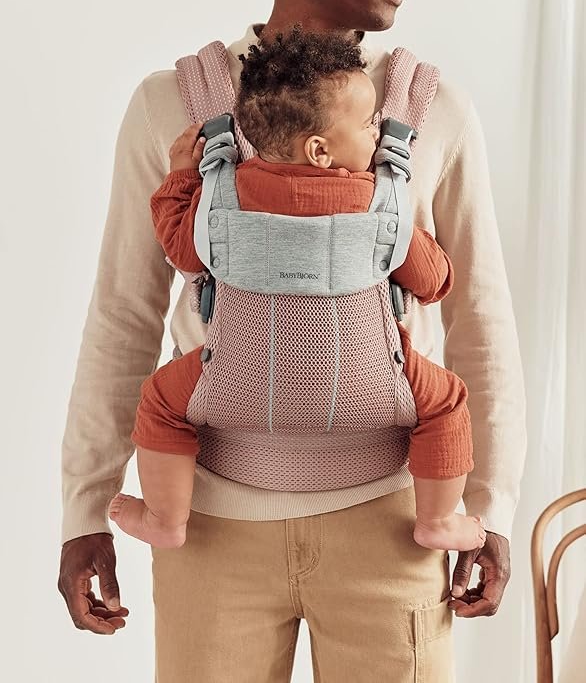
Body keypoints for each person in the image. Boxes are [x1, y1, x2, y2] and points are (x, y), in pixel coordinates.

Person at [59, 0, 526, 680]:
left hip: (391, 523)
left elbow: (480, 316)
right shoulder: (172, 105)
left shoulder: (432, 111)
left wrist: (489, 507)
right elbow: (124, 313)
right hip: (210, 529)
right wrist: (83, 508)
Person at [108, 28, 484, 554]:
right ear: (320, 151)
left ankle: (166, 519)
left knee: (159, 402)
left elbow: (183, 252)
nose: (377, 133)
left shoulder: (223, 196)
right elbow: (434, 283)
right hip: (371, 390)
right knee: (447, 403)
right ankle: (439, 520)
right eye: (368, 123)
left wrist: (181, 178)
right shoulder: (381, 205)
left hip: (233, 386)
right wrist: (421, 255)